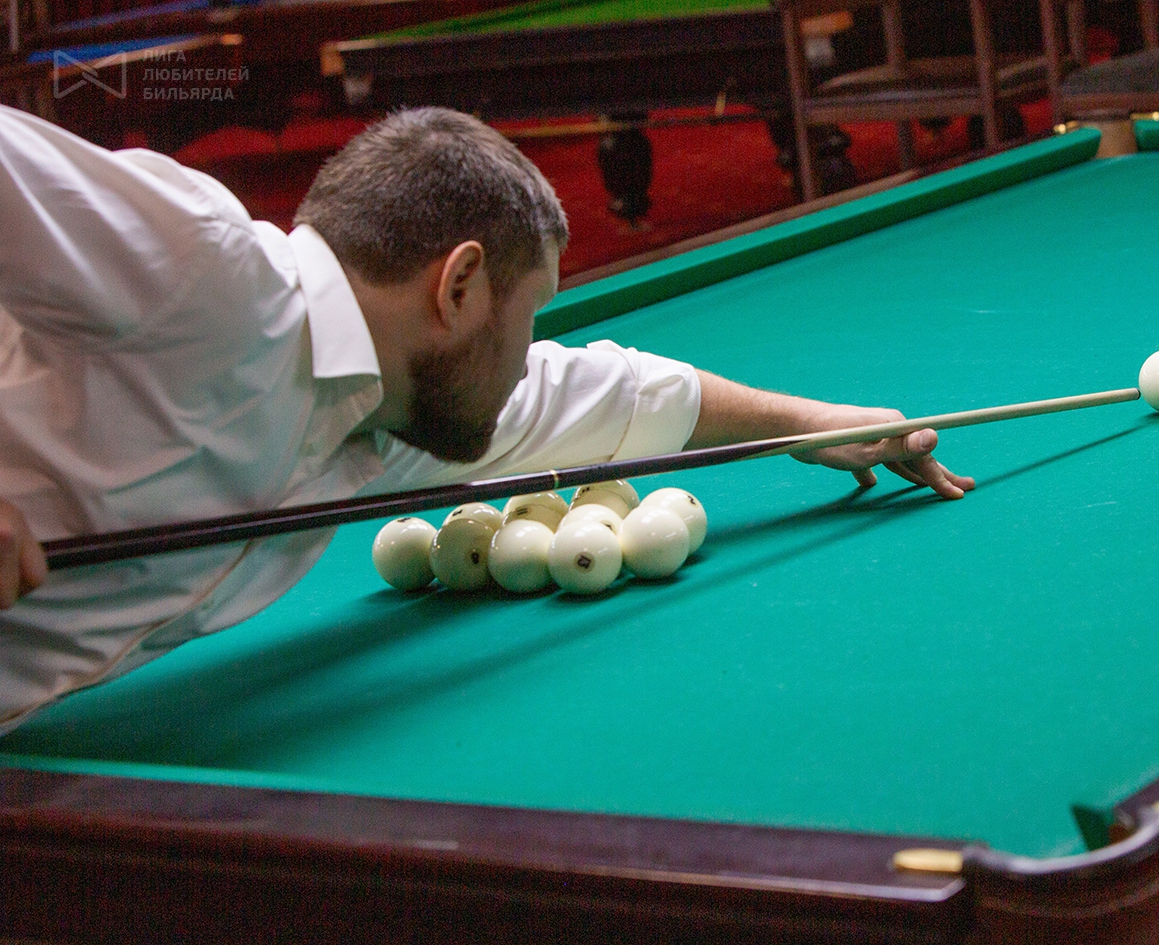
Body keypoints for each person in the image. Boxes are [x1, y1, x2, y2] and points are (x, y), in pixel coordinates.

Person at [0, 104, 972, 734]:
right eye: (528, 312)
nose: (526, 350)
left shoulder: (387, 412)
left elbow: (607, 392)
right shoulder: (211, 270)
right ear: (459, 287)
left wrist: (809, 421)